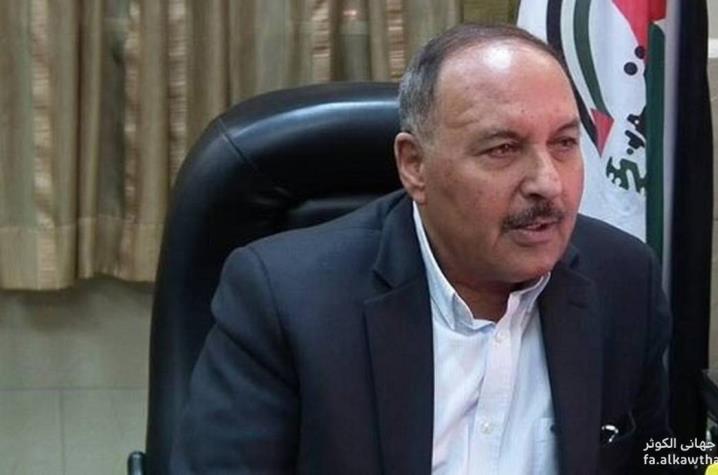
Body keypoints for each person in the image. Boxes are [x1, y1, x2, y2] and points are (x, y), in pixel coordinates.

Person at [171, 23, 673, 474]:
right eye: (503, 149)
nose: (548, 183)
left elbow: (659, 459)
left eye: (563, 143)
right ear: (414, 165)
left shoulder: (625, 279)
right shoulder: (284, 300)